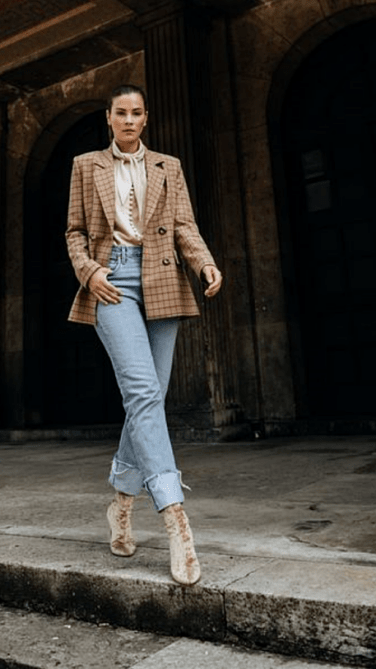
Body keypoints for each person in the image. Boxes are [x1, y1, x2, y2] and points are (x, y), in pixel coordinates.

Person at [65, 84, 223, 585]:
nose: (129, 120)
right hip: (111, 283)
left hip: (162, 279)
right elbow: (73, 230)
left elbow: (184, 225)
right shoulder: (85, 165)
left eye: (136, 113)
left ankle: (121, 506)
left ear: (146, 119)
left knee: (148, 398)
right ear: (108, 118)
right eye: (120, 113)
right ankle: (177, 520)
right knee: (141, 391)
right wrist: (89, 272)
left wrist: (205, 262)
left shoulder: (167, 166)